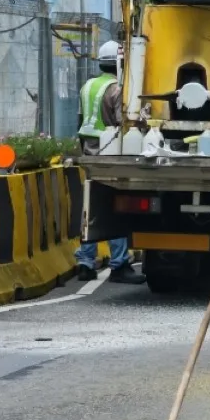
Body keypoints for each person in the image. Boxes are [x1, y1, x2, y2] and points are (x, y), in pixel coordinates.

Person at [74, 41, 146, 285]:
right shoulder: (117, 90)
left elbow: (81, 120)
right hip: (109, 153)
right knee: (114, 208)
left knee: (90, 209)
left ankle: (85, 263)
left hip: (88, 151)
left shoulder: (87, 86)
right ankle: (119, 263)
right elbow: (122, 125)